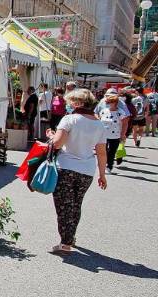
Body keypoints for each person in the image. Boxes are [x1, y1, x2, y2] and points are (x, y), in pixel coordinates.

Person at [44, 88, 107, 255]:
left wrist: (51, 135)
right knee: (76, 205)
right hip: (87, 169)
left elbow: (57, 144)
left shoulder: (69, 119)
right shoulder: (99, 124)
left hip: (66, 167)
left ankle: (65, 243)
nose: (68, 105)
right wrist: (102, 174)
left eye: (70, 102)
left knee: (64, 206)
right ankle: (70, 237)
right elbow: (101, 152)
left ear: (78, 103)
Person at [95, 93, 128, 173]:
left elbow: (125, 123)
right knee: (104, 150)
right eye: (108, 102)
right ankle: (104, 163)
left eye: (110, 102)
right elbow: (98, 120)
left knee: (112, 151)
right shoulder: (103, 111)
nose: (109, 104)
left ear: (115, 103)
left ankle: (109, 166)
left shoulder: (120, 112)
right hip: (104, 134)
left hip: (115, 135)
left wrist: (123, 134)